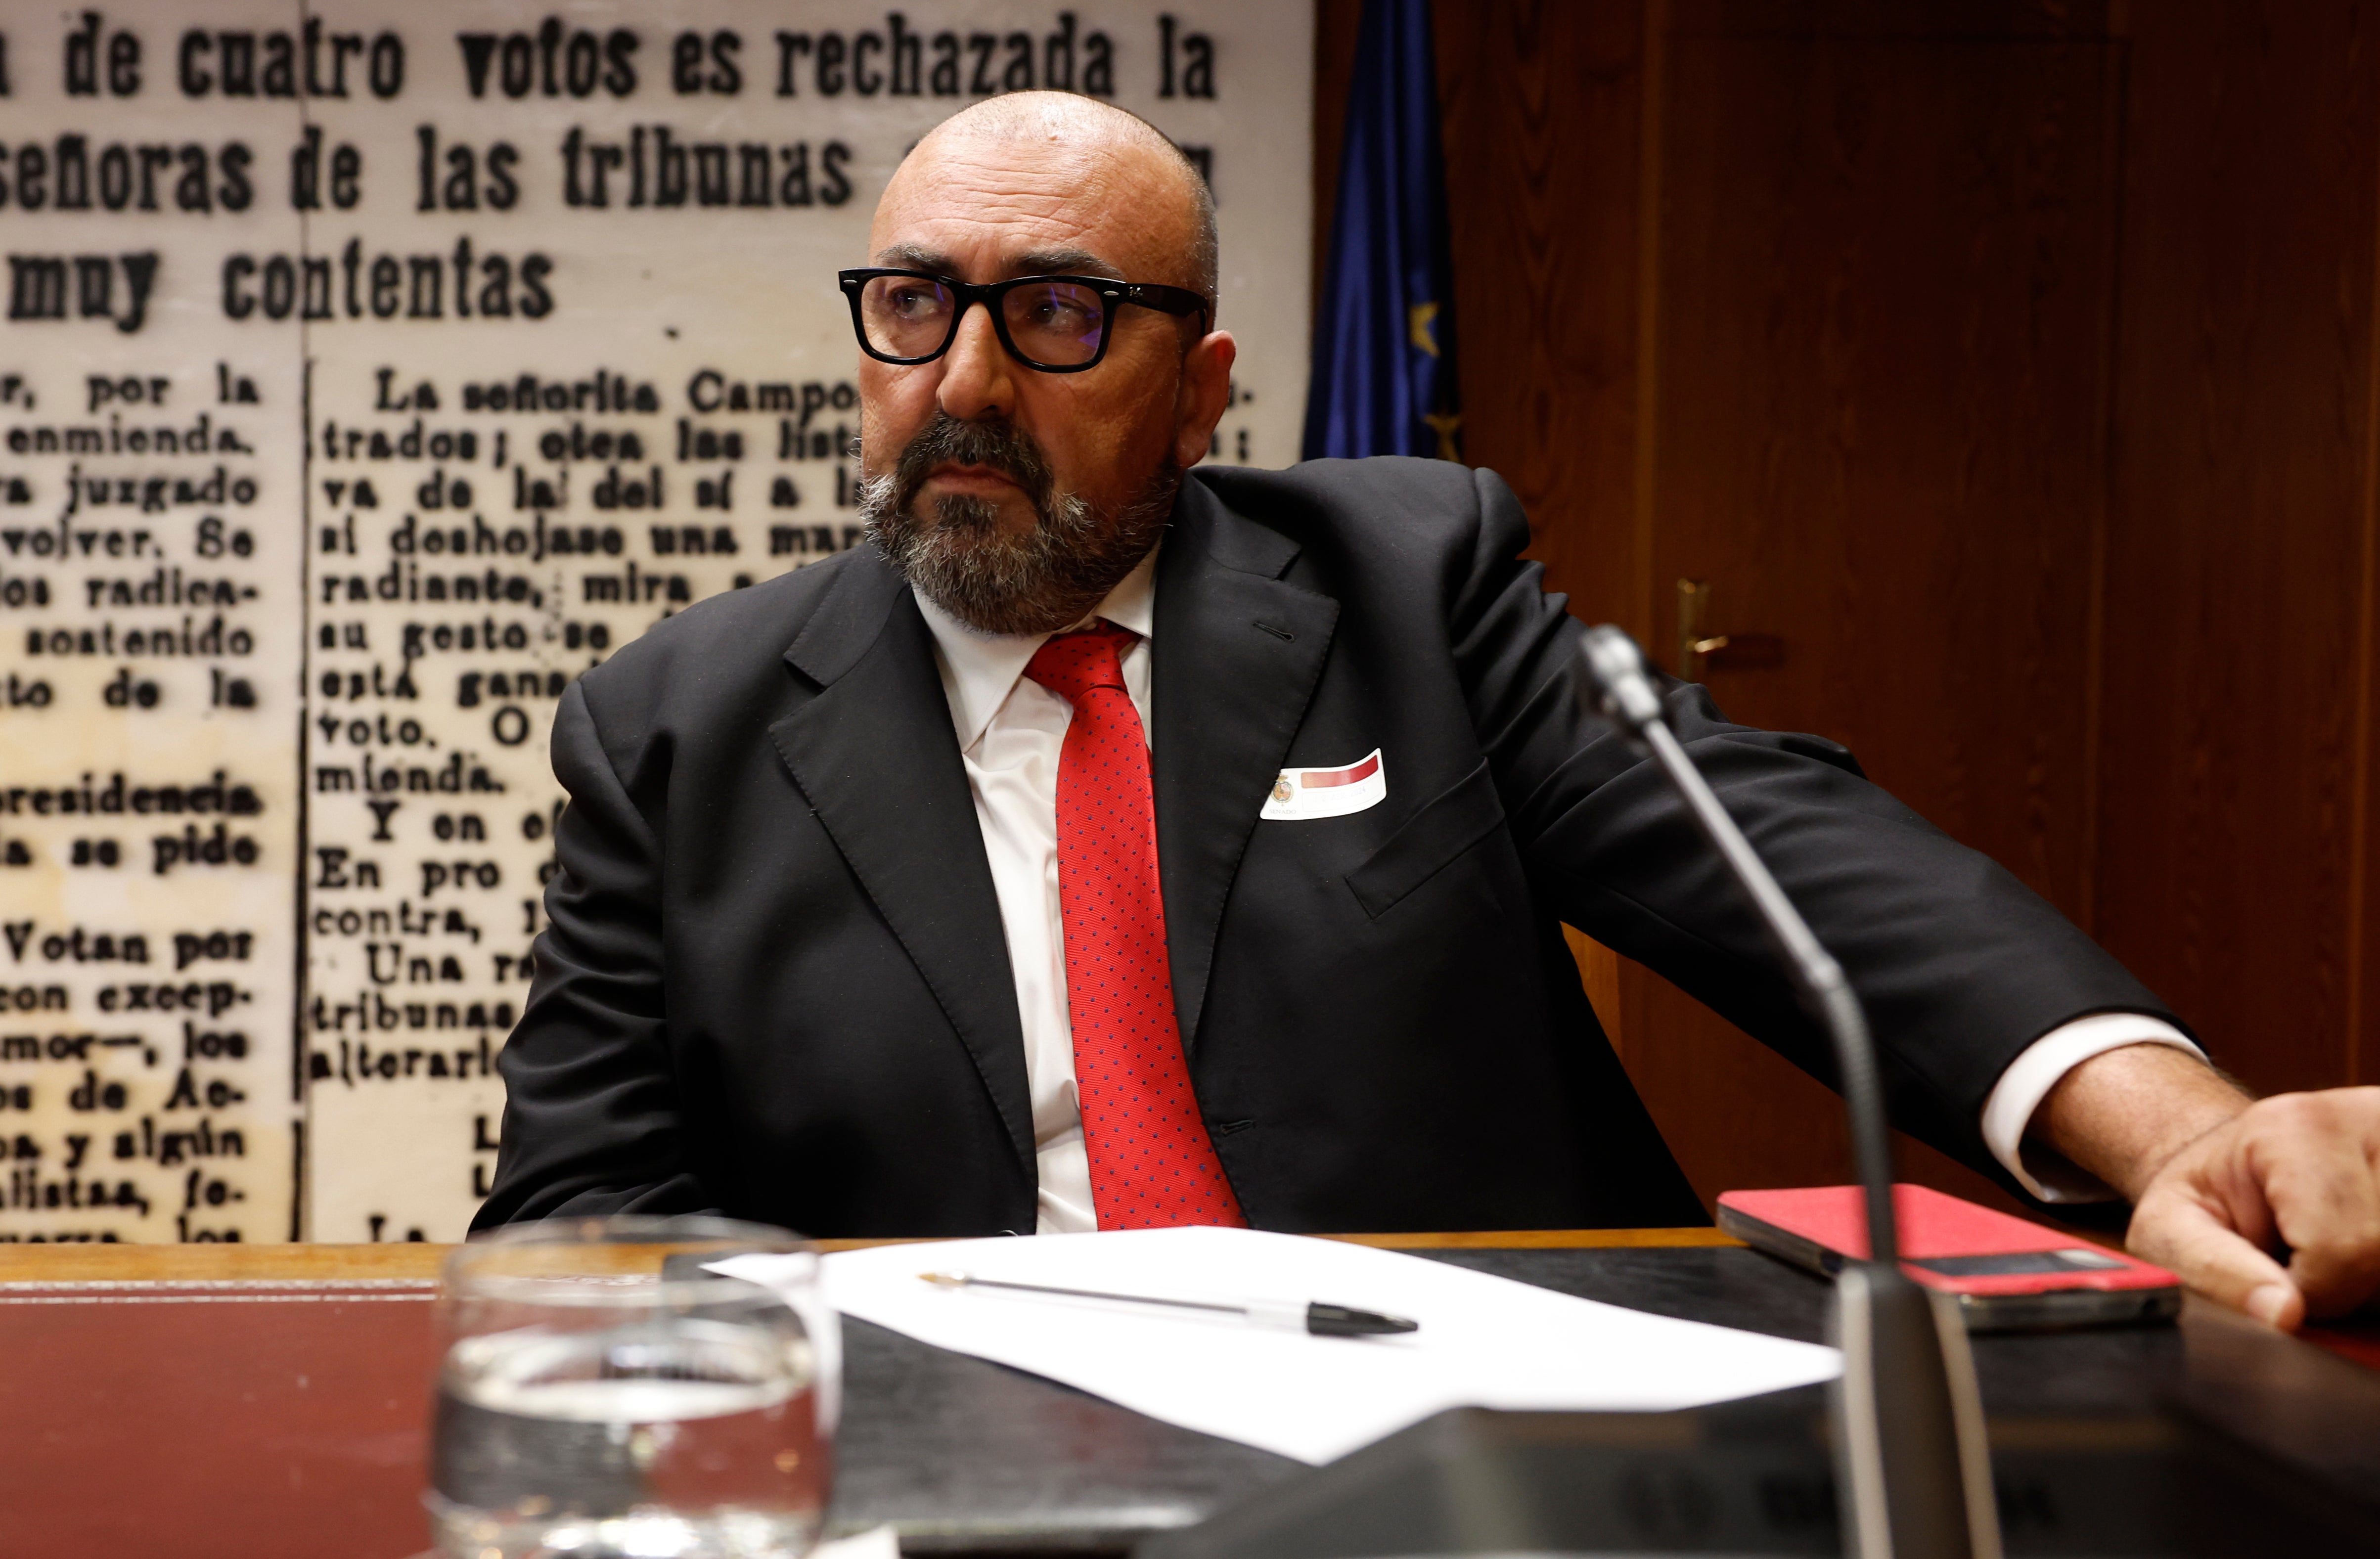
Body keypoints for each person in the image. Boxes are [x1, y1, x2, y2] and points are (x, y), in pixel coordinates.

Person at [478, 91, 2380, 1333]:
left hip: (1464, 1438)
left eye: (1057, 315)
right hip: (943, 1462)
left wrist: (2170, 1128)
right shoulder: (678, 729)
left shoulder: (1407, 588)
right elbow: (577, 1216)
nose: (962, 379)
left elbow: (1795, 868)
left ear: (1204, 384)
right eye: (914, 306)